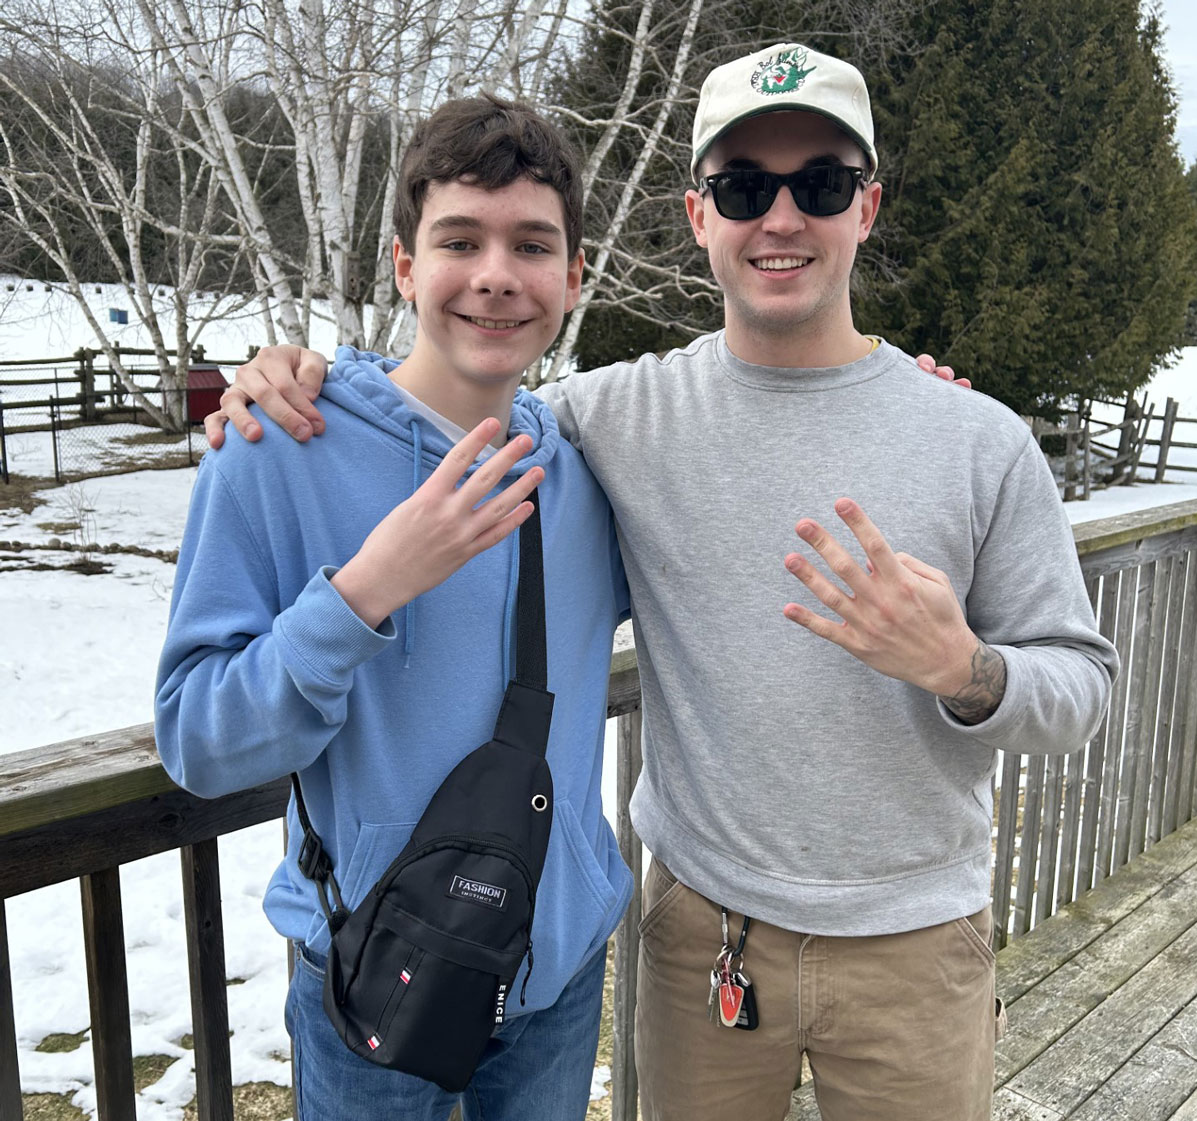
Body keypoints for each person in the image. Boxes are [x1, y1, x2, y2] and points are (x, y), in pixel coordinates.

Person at [203, 43, 1119, 1121]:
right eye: (743, 187)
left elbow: (1084, 691)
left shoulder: (976, 440)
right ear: (699, 215)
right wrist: (292, 369)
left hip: (915, 948)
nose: (781, 218)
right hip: (698, 943)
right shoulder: (611, 422)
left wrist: (965, 667)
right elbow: (443, 391)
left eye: (819, 184)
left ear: (866, 207)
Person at [154, 95, 634, 1121]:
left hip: (554, 984)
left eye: (532, 244)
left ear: (574, 277)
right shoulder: (277, 450)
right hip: (373, 988)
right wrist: (368, 587)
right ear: (405, 266)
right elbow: (197, 740)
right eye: (460, 239)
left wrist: (884, 384)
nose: (496, 274)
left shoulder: (592, 473)